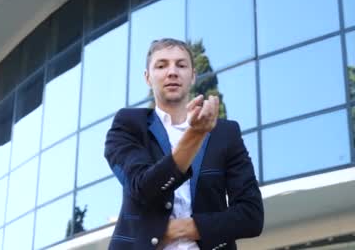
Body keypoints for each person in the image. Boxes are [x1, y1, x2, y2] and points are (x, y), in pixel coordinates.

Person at [104, 38, 263, 250]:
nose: (172, 72)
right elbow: (141, 187)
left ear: (193, 75)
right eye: (161, 65)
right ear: (147, 77)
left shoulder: (225, 133)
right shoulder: (129, 124)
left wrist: (183, 228)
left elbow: (251, 216)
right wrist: (195, 135)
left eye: (181, 65)